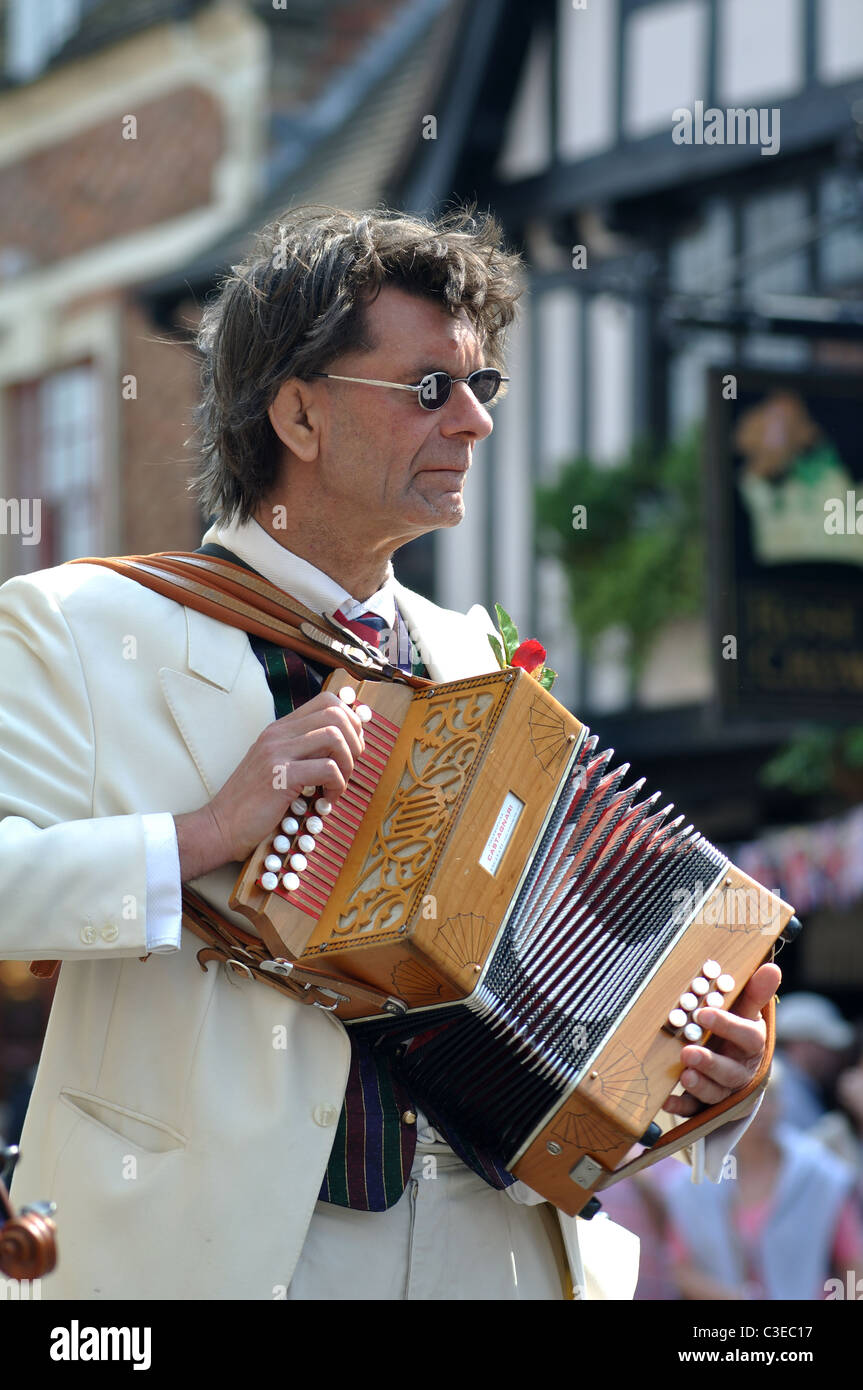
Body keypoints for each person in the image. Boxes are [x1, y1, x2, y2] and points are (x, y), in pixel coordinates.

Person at [0, 205, 779, 1300]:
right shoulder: (77, 627)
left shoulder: (477, 658)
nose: (473, 423)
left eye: (481, 387)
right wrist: (205, 834)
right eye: (428, 389)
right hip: (230, 1252)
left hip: (498, 1247)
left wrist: (703, 1073)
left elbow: (561, 978)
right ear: (300, 416)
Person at [665, 1060, 863, 1301]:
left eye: (767, 1097)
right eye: (747, 1099)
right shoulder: (694, 1183)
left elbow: (853, 1263)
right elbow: (681, 1268)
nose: (758, 1110)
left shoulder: (820, 1175)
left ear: (782, 1103)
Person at [774, 991, 854, 1131]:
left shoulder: (798, 1083)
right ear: (803, 1045)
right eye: (826, 1046)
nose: (834, 1057)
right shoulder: (782, 1087)